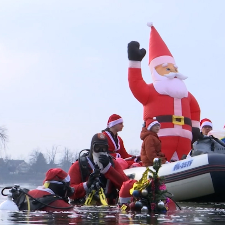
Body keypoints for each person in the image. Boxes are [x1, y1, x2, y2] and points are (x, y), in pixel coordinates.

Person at [127, 23, 201, 162]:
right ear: (156, 71)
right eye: (167, 69)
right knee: (159, 158)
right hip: (161, 138)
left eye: (174, 69)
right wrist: (134, 62)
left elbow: (195, 110)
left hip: (185, 141)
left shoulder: (186, 94)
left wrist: (195, 129)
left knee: (183, 160)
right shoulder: (151, 91)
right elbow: (135, 84)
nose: (172, 73)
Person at [68, 133, 129, 205]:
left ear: (107, 149)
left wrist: (109, 169)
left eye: (104, 148)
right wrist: (87, 185)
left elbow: (126, 186)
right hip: (83, 208)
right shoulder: (79, 165)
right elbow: (69, 192)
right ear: (92, 148)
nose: (100, 151)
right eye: (97, 148)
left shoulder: (113, 164)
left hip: (108, 209)